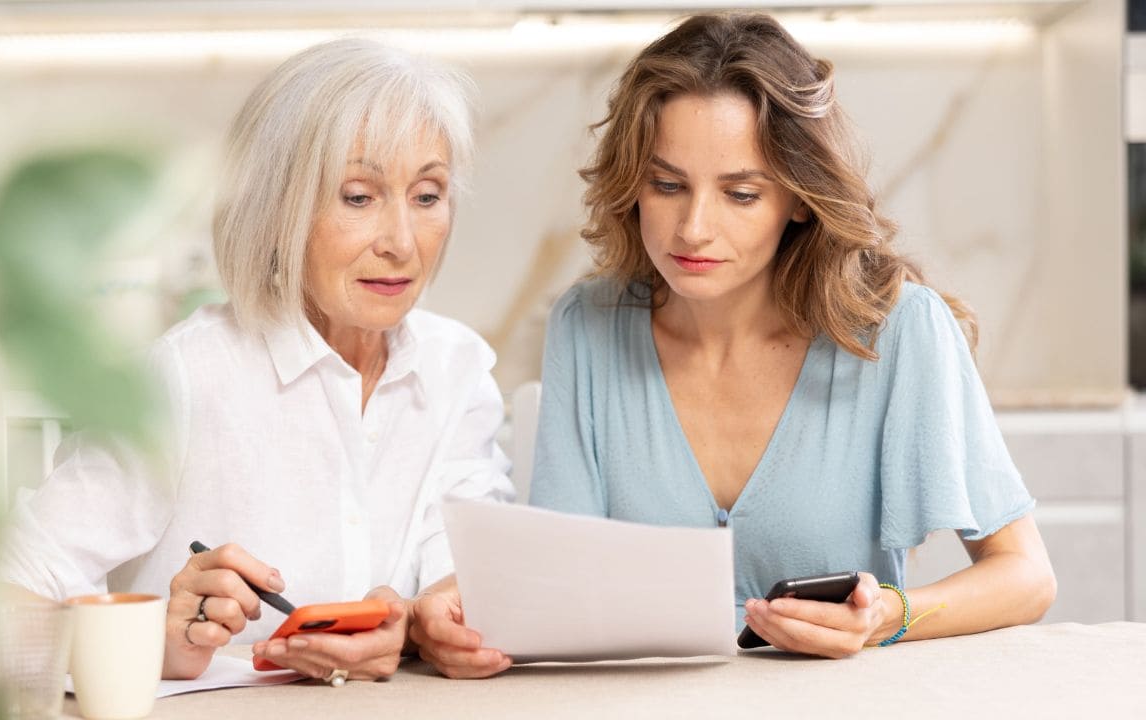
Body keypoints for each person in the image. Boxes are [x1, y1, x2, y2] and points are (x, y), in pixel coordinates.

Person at [410, 12, 1055, 676]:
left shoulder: (898, 330)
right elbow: (559, 577)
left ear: (798, 199)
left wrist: (887, 617)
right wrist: (463, 606)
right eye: (667, 185)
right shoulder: (586, 324)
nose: (693, 228)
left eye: (740, 194)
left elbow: (1026, 575)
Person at [0, 38, 514, 681]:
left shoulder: (457, 371)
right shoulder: (181, 379)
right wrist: (154, 642)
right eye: (358, 197)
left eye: (427, 195)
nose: (402, 243)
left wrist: (424, 621)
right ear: (276, 207)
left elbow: (468, 569)